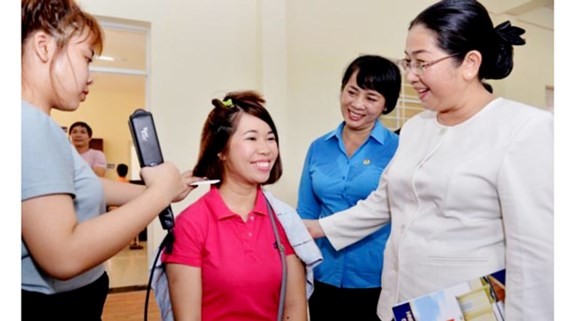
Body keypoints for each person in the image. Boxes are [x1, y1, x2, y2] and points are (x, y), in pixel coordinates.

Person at [304, 1, 553, 320]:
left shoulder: (524, 130)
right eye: (408, 63)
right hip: (400, 304)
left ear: (469, 63)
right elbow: (383, 202)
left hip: (471, 309)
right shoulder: (417, 128)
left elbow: (536, 257)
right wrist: (315, 228)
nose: (411, 76)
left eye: (421, 63)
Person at [21, 1, 197, 320]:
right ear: (44, 46)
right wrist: (158, 196)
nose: (90, 77)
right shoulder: (31, 125)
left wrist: (167, 189)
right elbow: (63, 256)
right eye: (86, 58)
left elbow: (83, 185)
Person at [161, 91, 313, 321]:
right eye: (252, 138)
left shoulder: (284, 219)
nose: (266, 149)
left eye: (270, 138)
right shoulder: (191, 224)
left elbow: (295, 310)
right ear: (221, 151)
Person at [297, 55, 400, 321]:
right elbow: (306, 213)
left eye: (371, 97)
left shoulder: (399, 150)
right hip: (323, 275)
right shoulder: (319, 147)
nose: (357, 104)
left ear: (386, 104)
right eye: (351, 91)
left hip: (376, 279)